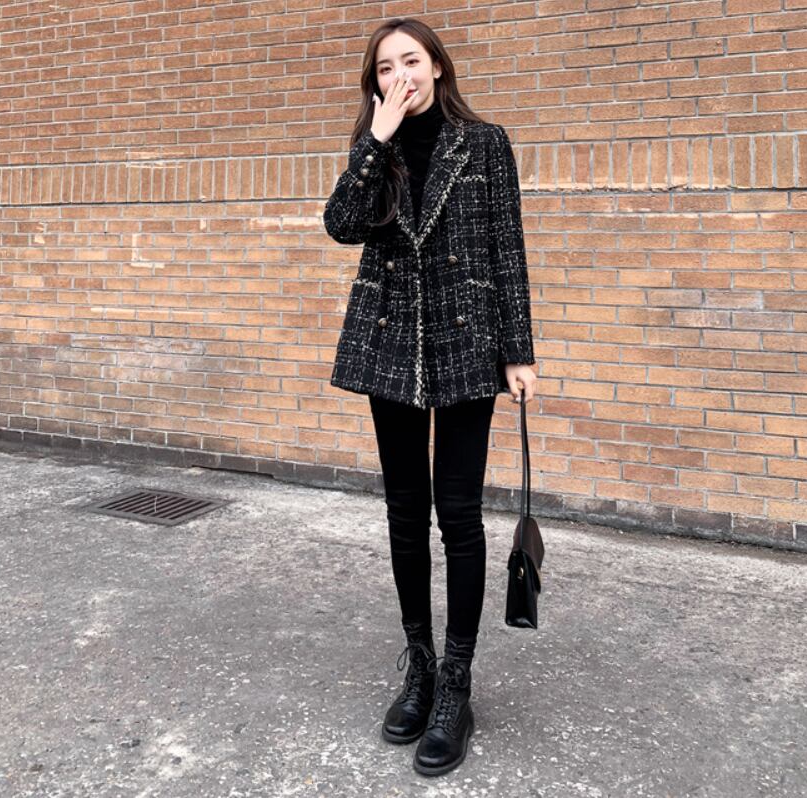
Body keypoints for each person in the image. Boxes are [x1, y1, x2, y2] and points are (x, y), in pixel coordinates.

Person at [323, 18, 537, 777]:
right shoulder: (372, 146)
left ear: (438, 67)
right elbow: (341, 226)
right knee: (405, 514)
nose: (399, 76)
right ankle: (418, 666)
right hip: (390, 344)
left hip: (468, 338)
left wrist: (519, 351)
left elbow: (506, 248)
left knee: (460, 516)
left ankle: (456, 684)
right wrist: (375, 141)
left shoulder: (485, 144)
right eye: (385, 67)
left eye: (410, 61)